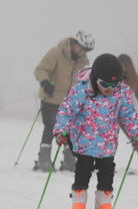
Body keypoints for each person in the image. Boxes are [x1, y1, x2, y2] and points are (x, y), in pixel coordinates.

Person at [53, 54, 138, 209]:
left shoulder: (122, 92)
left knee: (107, 174)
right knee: (83, 173)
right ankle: (78, 205)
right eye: (104, 84)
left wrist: (136, 135)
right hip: (84, 142)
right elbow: (66, 110)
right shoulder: (81, 90)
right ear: (95, 79)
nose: (109, 89)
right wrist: (61, 130)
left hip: (107, 143)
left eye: (114, 84)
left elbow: (129, 115)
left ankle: (103, 206)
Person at [33, 30, 95, 172]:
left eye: (86, 50)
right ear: (75, 43)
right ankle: (44, 160)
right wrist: (45, 83)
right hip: (50, 96)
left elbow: (83, 80)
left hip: (69, 101)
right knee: (51, 126)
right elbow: (40, 69)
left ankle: (69, 160)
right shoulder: (56, 53)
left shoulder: (83, 61)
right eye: (82, 48)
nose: (83, 52)